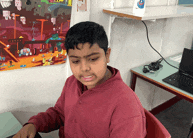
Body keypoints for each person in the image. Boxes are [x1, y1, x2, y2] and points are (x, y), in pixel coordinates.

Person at [13, 21, 147, 138]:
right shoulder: (72, 82)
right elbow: (60, 114)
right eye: (76, 61)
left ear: (107, 55)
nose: (84, 68)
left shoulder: (126, 106)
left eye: (93, 59)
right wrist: (34, 124)